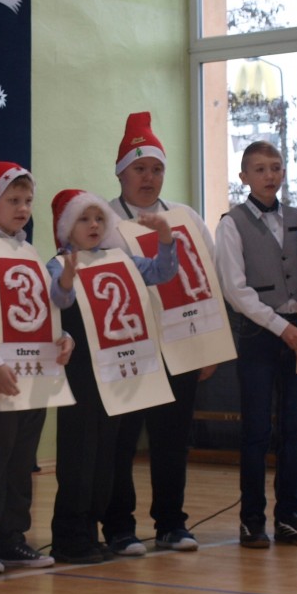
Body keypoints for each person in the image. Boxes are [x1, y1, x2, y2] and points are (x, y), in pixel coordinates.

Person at [46, 189, 176, 564]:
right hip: (81, 373)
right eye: (84, 219)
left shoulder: (120, 259)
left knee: (105, 455)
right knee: (78, 455)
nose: (94, 225)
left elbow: (163, 271)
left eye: (99, 218)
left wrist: (165, 237)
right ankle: (69, 537)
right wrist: (67, 279)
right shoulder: (57, 264)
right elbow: (58, 301)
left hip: (115, 373)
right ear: (67, 226)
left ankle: (91, 530)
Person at [0, 161, 73, 573]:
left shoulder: (28, 250)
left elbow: (39, 309)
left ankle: (13, 538)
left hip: (34, 372)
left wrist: (63, 336)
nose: (22, 208)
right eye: (13, 200)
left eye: (27, 201)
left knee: (22, 460)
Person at [106, 112, 215, 554]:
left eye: (156, 169)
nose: (148, 178)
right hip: (126, 351)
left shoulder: (186, 218)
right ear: (121, 173)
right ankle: (119, 527)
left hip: (179, 348)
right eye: (139, 168)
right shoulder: (103, 221)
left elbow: (209, 283)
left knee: (172, 440)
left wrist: (208, 348)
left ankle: (172, 522)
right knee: (121, 442)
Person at [215, 140, 297, 549]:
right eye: (259, 169)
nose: (269, 175)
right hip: (260, 333)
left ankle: (289, 516)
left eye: (275, 167)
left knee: (294, 428)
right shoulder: (232, 223)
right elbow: (235, 291)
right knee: (257, 430)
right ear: (244, 176)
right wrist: (281, 328)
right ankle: (252, 520)